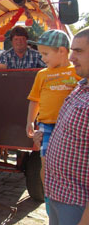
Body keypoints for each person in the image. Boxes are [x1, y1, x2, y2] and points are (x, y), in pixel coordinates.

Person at [39, 27, 89, 225]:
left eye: (78, 51)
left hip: (77, 204)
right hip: (59, 195)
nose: (71, 57)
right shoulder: (80, 87)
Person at [25, 29, 80, 214]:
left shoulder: (77, 72)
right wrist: (30, 122)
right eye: (41, 54)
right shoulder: (42, 75)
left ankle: (71, 197)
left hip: (70, 127)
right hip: (47, 126)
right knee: (46, 162)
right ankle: (50, 197)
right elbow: (35, 100)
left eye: (46, 54)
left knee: (70, 163)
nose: (43, 58)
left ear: (62, 51)